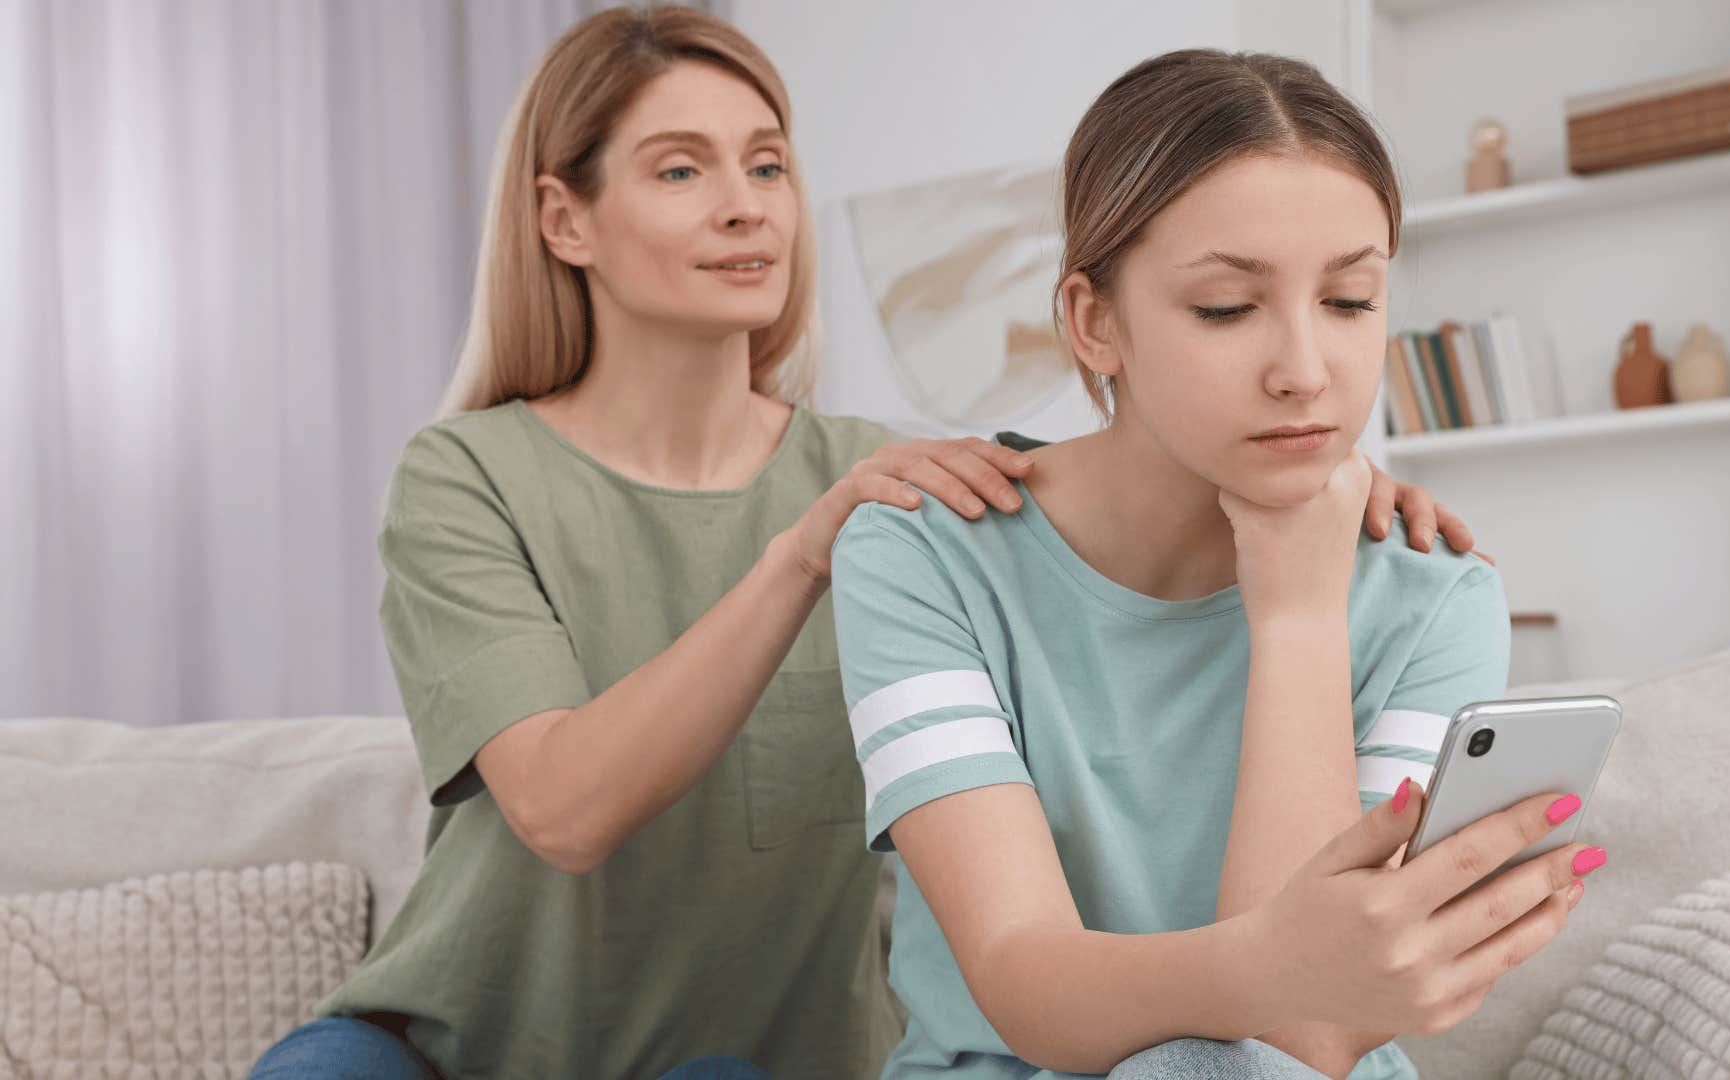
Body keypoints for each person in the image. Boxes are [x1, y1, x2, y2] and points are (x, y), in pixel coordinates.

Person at [249, 10, 1482, 1079]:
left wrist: (1325, 523)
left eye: (770, 164)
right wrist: (797, 559)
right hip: (455, 1040)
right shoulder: (499, 477)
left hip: (760, 1052)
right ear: (563, 220)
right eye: (681, 171)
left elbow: (1117, 489)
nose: (745, 205)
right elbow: (564, 809)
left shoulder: (900, 481)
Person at [828, 49, 1605, 1080]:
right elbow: (1027, 986)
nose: (1304, 372)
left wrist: (1301, 617)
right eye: (1227, 309)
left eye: (1349, 301)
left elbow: (1303, 1040)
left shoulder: (1435, 594)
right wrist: (1293, 965)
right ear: (1093, 322)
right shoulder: (922, 554)